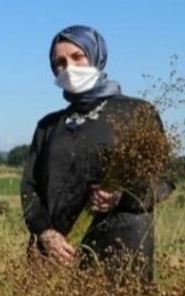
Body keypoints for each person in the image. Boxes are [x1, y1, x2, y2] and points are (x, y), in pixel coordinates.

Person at [21, 25, 172, 280]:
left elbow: (164, 178)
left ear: (96, 55)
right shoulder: (48, 126)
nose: (68, 67)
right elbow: (30, 186)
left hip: (121, 249)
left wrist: (122, 194)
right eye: (59, 62)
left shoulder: (136, 113)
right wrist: (45, 233)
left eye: (77, 57)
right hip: (56, 254)